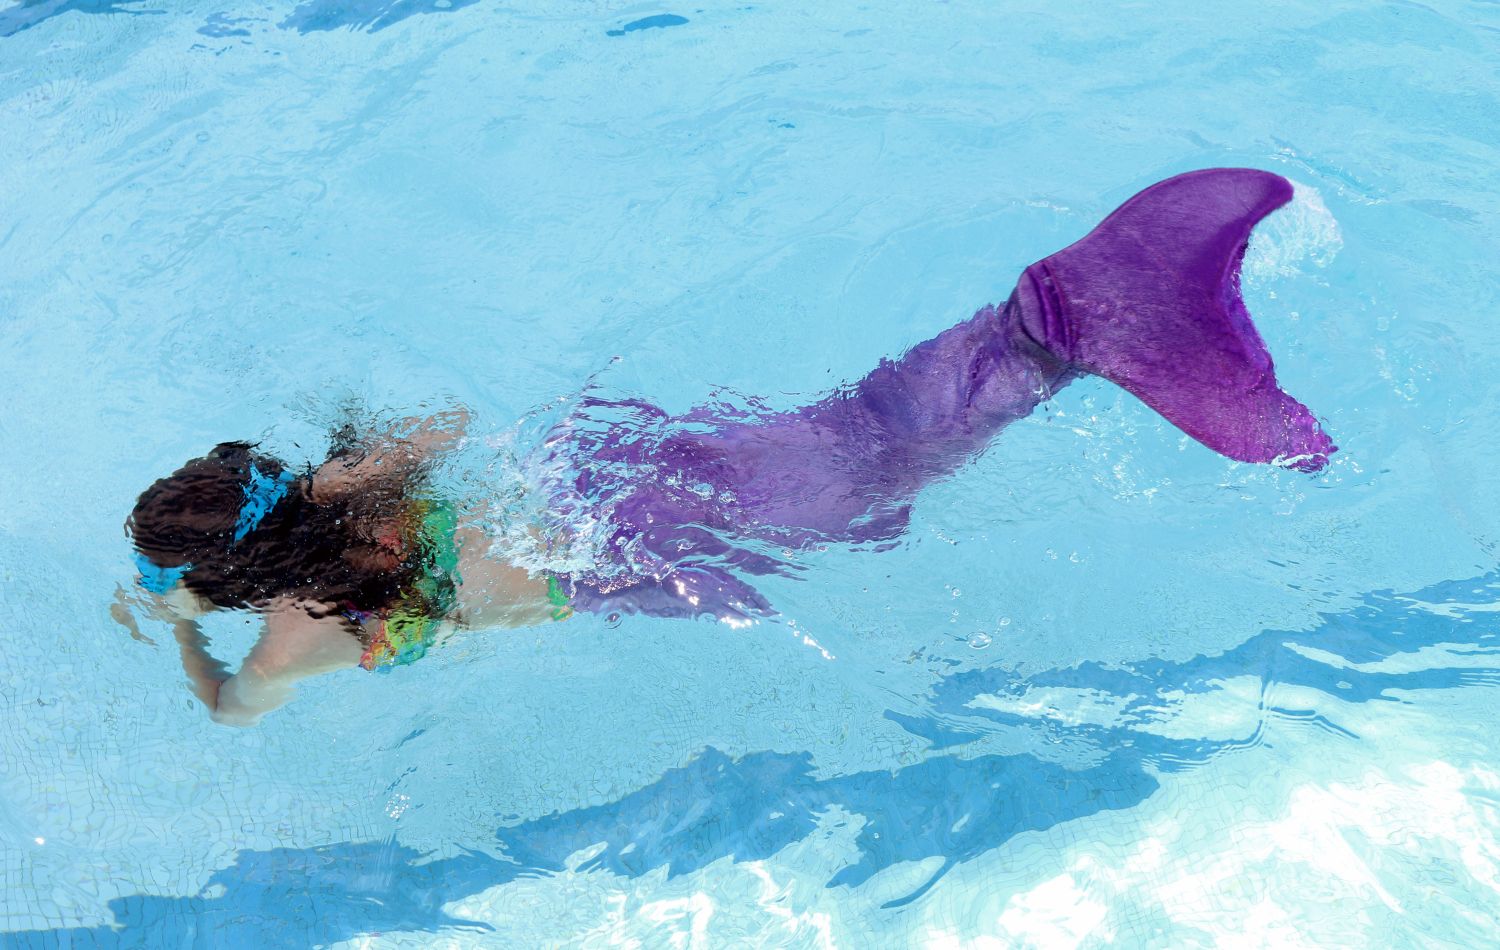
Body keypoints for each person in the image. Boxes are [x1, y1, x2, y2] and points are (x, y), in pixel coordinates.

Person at [122, 168, 1336, 726]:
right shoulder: (366, 478)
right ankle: (1061, 312)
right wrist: (339, 458)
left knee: (882, 470)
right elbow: (446, 428)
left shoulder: (296, 635)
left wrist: (181, 627)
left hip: (635, 559)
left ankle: (1080, 320)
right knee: (864, 428)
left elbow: (233, 709)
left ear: (245, 577)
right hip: (612, 475)